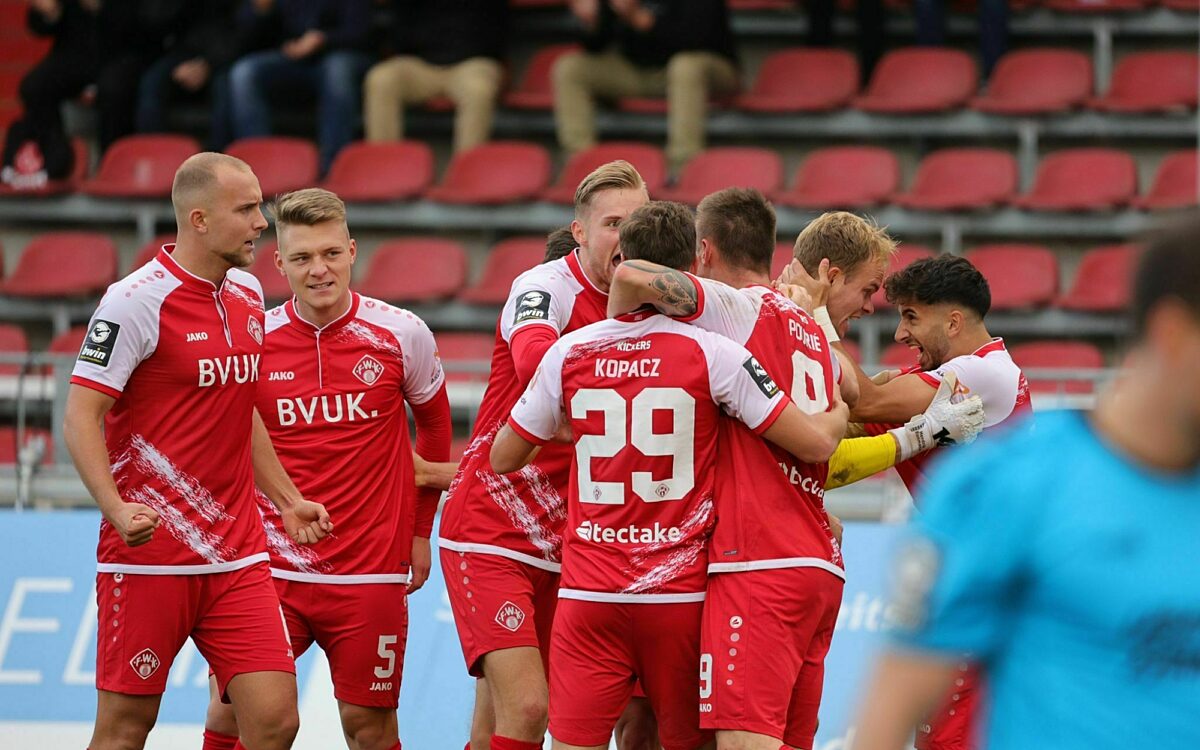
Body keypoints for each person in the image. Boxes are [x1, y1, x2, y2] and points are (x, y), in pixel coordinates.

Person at [607, 190, 984, 750]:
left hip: (726, 562)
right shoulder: (806, 334)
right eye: (867, 289)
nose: (872, 307)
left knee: (700, 735)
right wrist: (916, 434)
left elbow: (824, 445)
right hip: (803, 564)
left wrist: (611, 335)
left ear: (704, 252)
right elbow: (848, 411)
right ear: (829, 275)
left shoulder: (738, 314)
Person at [490, 200, 851, 750]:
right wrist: (837, 415)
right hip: (678, 594)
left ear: (623, 261)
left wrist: (579, 421)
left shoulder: (569, 352)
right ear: (691, 264)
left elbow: (502, 457)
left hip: (590, 591)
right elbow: (814, 442)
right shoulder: (717, 353)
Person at [854, 216, 1200, 750]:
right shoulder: (1005, 483)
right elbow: (896, 699)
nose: (899, 333)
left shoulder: (988, 393)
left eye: (909, 317)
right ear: (1174, 335)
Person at [63, 152, 332, 750]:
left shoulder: (246, 291)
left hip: (237, 556)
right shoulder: (134, 301)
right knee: (125, 727)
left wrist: (288, 499)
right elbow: (81, 415)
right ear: (200, 219)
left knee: (275, 721)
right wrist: (114, 507)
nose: (262, 221)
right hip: (151, 557)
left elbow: (241, 411)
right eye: (247, 209)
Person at [199, 188, 451, 750]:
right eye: (304, 257)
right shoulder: (252, 340)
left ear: (353, 251)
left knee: (369, 729)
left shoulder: (402, 334)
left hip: (369, 574)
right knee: (232, 719)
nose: (320, 270)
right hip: (267, 572)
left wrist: (418, 533)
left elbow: (434, 430)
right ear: (279, 263)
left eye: (331, 253)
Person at [437, 160, 649, 750]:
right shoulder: (543, 286)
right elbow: (536, 366)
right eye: (612, 223)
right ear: (579, 233)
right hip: (492, 525)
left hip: (577, 542)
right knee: (530, 708)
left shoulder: (656, 303)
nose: (625, 237)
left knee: (502, 717)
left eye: (637, 223)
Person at [783, 251, 1031, 750]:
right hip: (954, 574)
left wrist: (814, 318)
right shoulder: (940, 380)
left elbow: (864, 403)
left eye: (912, 316)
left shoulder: (986, 375)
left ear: (954, 321)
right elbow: (829, 439)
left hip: (985, 580)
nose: (899, 334)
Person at [553, 0, 738, 169]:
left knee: (685, 66)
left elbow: (697, 39)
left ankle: (683, 167)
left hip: (708, 69)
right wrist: (591, 21)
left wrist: (638, 18)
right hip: (640, 71)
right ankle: (580, 165)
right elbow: (598, 45)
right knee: (571, 68)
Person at [226, 0, 372, 171]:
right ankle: (258, 165)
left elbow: (361, 33)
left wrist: (323, 39)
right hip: (291, 60)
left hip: (339, 53)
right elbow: (247, 41)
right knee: (243, 72)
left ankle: (334, 166)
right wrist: (261, 12)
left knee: (337, 71)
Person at [363, 0, 508, 154]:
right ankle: (384, 169)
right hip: (421, 63)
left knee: (478, 90)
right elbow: (401, 31)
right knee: (381, 79)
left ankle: (466, 173)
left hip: (472, 63)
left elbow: (496, 29)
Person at [135, 0, 242, 150]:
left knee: (227, 88)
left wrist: (208, 64)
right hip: (182, 53)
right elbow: (153, 18)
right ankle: (156, 160)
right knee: (151, 83)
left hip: (226, 57)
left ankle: (216, 165)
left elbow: (243, 30)